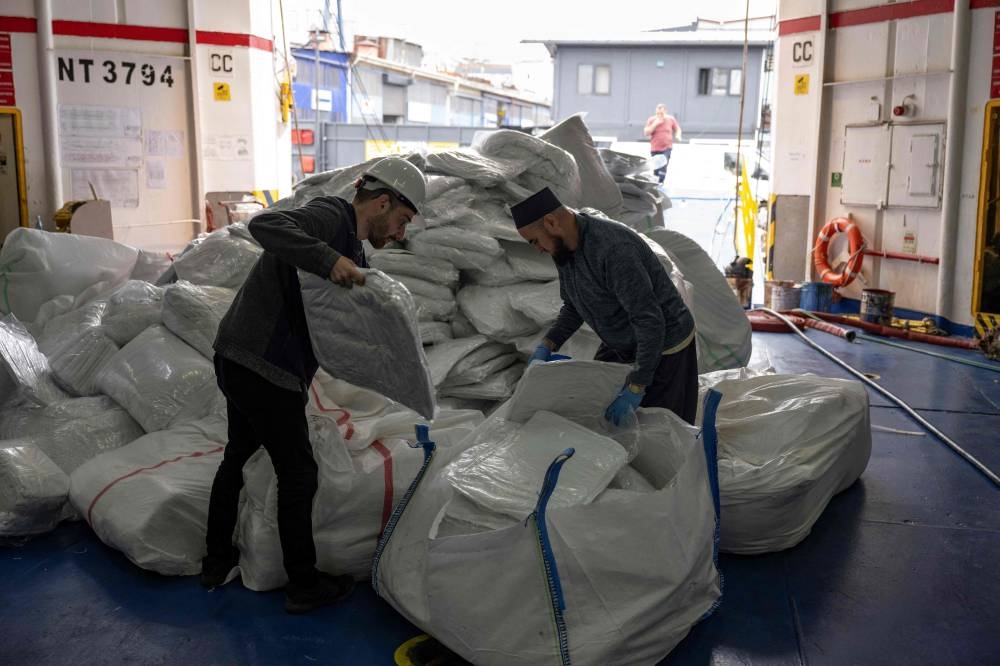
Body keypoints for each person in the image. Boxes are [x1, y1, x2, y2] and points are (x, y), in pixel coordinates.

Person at [200, 156, 426, 614]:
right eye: (401, 220)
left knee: (237, 455)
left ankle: (216, 562)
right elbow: (266, 223)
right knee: (299, 472)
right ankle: (303, 584)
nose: (400, 233)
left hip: (241, 356)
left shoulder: (354, 250)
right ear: (382, 202)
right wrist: (329, 259)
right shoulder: (330, 217)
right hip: (264, 365)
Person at [513, 187, 698, 426]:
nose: (537, 248)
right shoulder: (563, 250)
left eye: (535, 241)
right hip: (624, 341)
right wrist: (548, 345)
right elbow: (574, 306)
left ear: (550, 222)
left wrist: (637, 385)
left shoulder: (613, 249)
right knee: (603, 412)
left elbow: (649, 321)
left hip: (666, 344)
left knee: (662, 429)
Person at [643, 103, 682, 185]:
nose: (660, 115)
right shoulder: (652, 120)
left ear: (665, 112)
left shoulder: (670, 119)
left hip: (666, 147)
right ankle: (656, 183)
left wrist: (678, 135)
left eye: (662, 113)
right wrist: (655, 124)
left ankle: (661, 181)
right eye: (658, 113)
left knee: (663, 164)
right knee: (656, 167)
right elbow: (646, 132)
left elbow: (677, 128)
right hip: (655, 148)